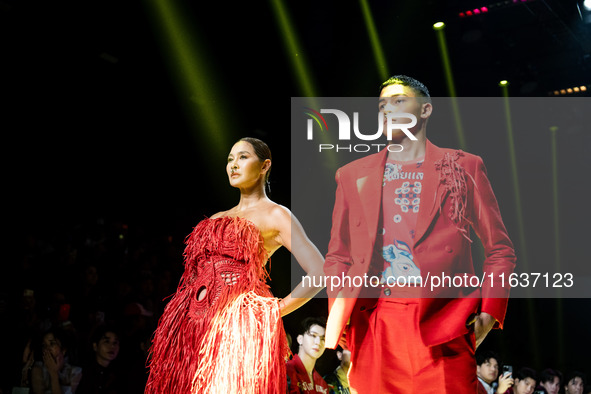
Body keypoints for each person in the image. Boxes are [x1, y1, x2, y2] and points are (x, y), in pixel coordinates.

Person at [323, 75, 516, 393]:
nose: (387, 109)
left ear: (425, 110)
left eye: (399, 100)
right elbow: (338, 255)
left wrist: (488, 314)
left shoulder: (464, 167)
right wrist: (340, 315)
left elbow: (500, 250)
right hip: (375, 325)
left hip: (444, 326)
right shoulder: (352, 175)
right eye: (382, 104)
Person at [145, 137, 325, 393]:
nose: (233, 164)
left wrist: (276, 309)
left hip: (236, 329)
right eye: (230, 159)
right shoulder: (217, 218)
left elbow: (320, 271)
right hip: (191, 326)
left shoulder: (275, 214)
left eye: (242, 157)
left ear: (264, 166)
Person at [30, 328, 82, 394]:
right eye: (44, 345)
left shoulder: (75, 372)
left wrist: (54, 373)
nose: (47, 349)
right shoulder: (38, 369)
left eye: (52, 344)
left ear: (63, 350)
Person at [286, 317, 329, 394]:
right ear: (300, 339)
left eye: (323, 339)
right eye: (313, 335)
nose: (318, 342)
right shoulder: (287, 371)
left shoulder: (323, 385)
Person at [76, 326, 121, 394]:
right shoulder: (83, 372)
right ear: (95, 346)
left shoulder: (120, 375)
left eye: (115, 343)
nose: (112, 346)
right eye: (106, 341)